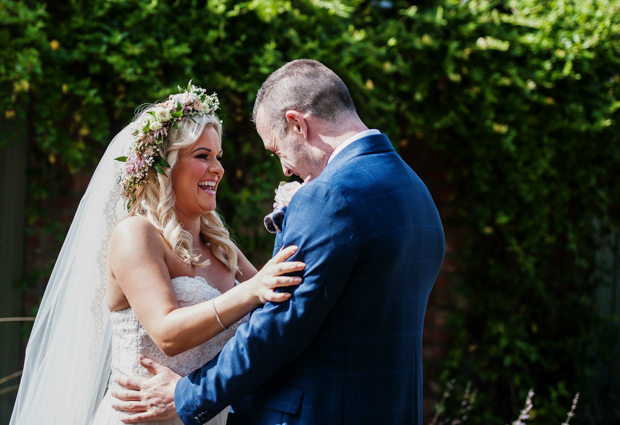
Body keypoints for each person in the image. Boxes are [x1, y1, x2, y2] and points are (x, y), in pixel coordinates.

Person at [112, 59, 445, 424]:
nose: (285, 170)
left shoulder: (326, 198)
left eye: (276, 150)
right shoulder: (415, 190)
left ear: (296, 124)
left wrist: (187, 396)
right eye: (202, 156)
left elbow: (278, 324)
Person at [9, 84, 304, 425]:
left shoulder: (222, 247)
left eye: (218, 157)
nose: (218, 169)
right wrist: (251, 290)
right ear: (165, 166)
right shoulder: (136, 234)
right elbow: (166, 333)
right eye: (202, 156)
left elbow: (275, 305)